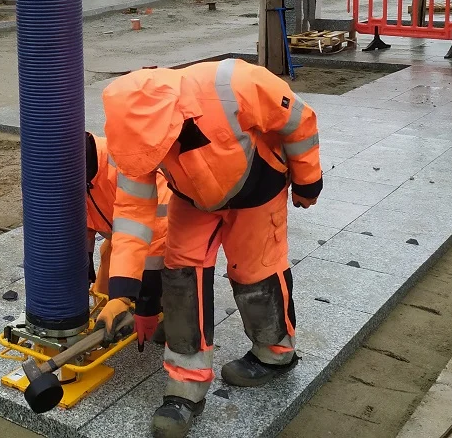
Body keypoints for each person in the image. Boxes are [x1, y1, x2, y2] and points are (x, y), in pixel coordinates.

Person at [93, 58, 323, 438]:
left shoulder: (237, 84)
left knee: (257, 273)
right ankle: (185, 386)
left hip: (258, 187)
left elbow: (299, 121)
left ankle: (275, 353)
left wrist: (307, 180)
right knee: (182, 281)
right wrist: (121, 294)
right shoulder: (133, 133)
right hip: (192, 198)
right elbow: (133, 216)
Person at [86, 132, 170, 351]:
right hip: (123, 238)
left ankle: (169, 314)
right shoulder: (78, 170)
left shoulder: (128, 166)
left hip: (167, 244)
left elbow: (157, 244)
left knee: (177, 280)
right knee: (107, 283)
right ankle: (113, 316)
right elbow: (82, 218)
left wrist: (147, 304)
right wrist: (82, 261)